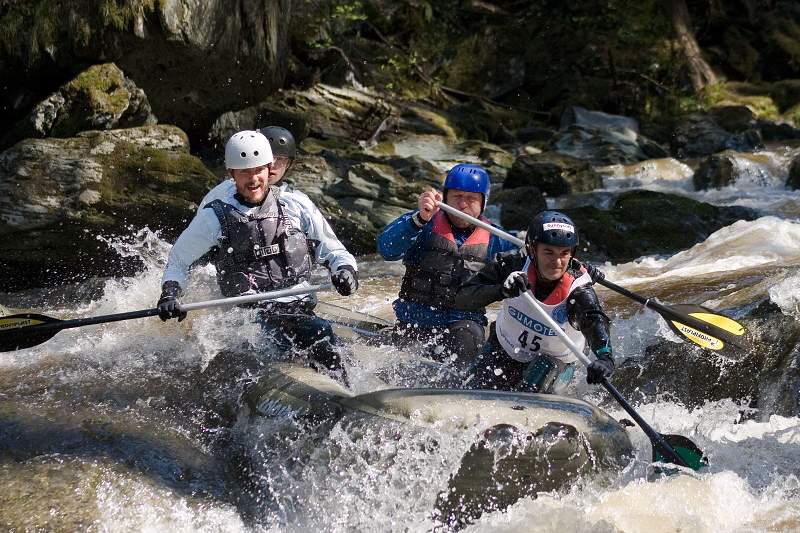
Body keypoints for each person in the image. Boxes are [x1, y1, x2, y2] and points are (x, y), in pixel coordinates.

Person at [157, 129, 358, 375]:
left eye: (258, 171)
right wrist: (170, 294)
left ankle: (344, 393)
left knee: (320, 335)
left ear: (268, 169)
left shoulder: (296, 204)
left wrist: (345, 271)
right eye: (244, 172)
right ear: (232, 174)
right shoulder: (213, 216)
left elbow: (334, 250)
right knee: (279, 340)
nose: (253, 179)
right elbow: (178, 260)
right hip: (249, 314)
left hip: (298, 308)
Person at [454, 210, 613, 394]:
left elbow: (595, 321)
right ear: (532, 250)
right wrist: (501, 290)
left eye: (564, 253)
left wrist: (605, 358)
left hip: (554, 363)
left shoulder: (579, 290)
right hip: (505, 346)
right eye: (548, 252)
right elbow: (462, 297)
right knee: (469, 390)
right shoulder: (511, 265)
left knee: (534, 379)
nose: (557, 262)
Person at [377, 163, 518, 369]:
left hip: (465, 323)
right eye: (456, 197)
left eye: (471, 199)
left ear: (483, 203)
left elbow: (532, 268)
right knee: (406, 365)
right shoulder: (423, 223)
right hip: (416, 320)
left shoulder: (499, 240)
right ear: (445, 197)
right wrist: (419, 219)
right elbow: (386, 249)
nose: (462, 205)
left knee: (466, 343)